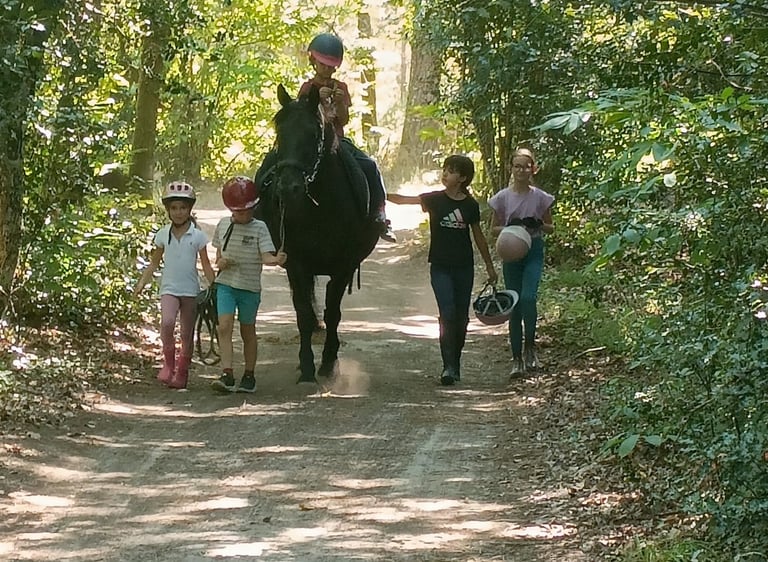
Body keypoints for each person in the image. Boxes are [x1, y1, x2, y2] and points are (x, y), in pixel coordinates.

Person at [387, 154, 498, 386]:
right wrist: (379, 193)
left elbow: (478, 237)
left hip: (463, 267)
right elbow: (403, 200)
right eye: (445, 169)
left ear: (463, 178)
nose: (445, 173)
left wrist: (489, 266)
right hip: (439, 266)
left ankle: (455, 361)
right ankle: (448, 366)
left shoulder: (469, 206)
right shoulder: (435, 200)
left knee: (461, 317)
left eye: (452, 170)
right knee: (447, 313)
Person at [300, 32, 396, 243]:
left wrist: (341, 103)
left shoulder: (341, 88)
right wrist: (316, 101)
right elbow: (303, 118)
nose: (327, 69)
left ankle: (379, 215)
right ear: (313, 61)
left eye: (331, 66)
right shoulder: (307, 88)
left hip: (336, 141)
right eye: (323, 64)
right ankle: (269, 214)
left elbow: (342, 121)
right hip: (311, 142)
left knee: (370, 166)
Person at [134, 181, 215, 389]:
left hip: (190, 291)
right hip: (169, 288)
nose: (178, 212)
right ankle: (168, 364)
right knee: (167, 323)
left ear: (189, 210)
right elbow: (154, 262)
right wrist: (142, 282)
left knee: (186, 334)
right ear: (168, 210)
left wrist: (215, 286)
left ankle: (182, 372)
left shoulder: (197, 236)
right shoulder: (163, 234)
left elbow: (205, 264)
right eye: (174, 208)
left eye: (183, 208)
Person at [211, 176, 287, 394]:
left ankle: (249, 375)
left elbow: (266, 256)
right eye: (237, 211)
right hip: (225, 285)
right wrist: (221, 262)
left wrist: (277, 259)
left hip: (249, 288)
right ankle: (227, 373)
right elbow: (219, 252)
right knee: (224, 326)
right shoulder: (223, 225)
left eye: (246, 211)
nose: (242, 215)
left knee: (247, 331)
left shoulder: (260, 228)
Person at [488, 148, 555, 377]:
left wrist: (537, 224)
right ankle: (516, 357)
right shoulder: (502, 197)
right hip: (510, 252)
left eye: (526, 166)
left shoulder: (540, 196)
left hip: (533, 249)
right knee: (514, 304)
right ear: (511, 169)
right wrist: (510, 225)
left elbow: (550, 226)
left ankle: (530, 348)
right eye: (517, 166)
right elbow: (493, 229)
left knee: (528, 297)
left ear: (533, 169)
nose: (522, 170)